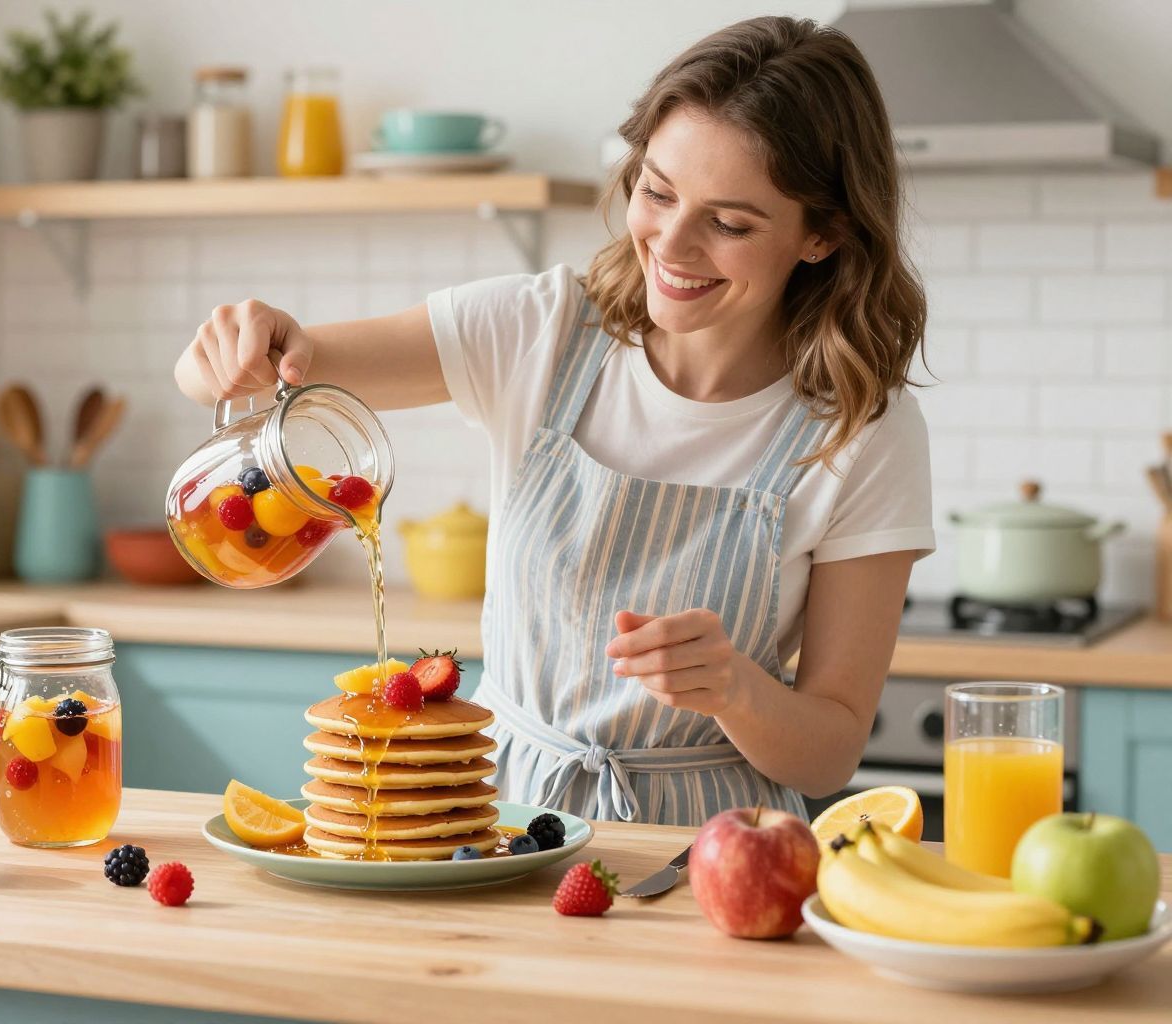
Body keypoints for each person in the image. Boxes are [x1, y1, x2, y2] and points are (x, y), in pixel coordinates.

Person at [174, 15, 934, 825]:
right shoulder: (539, 329)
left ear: (821, 234)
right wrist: (225, 349)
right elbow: (266, 365)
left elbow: (831, 749)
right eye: (657, 192)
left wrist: (737, 689)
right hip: (494, 826)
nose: (671, 245)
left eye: (729, 223)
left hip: (709, 855)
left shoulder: (862, 429)